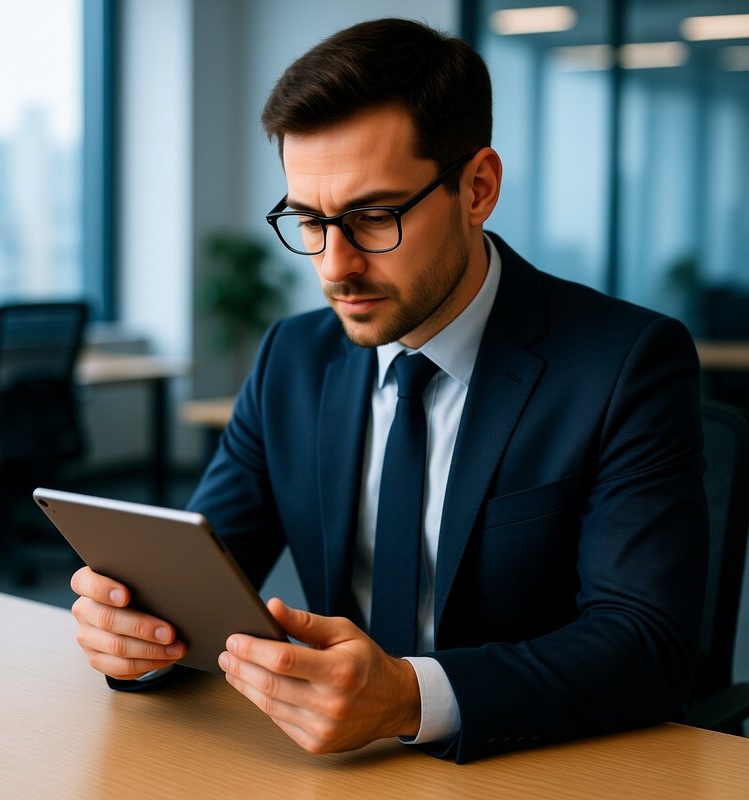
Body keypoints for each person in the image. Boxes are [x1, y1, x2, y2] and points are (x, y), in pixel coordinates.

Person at [70, 18, 708, 763]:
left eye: (373, 218)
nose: (335, 266)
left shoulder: (626, 361)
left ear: (478, 188)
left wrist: (410, 696)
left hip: (538, 762)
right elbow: (199, 580)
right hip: (342, 770)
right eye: (308, 220)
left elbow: (645, 643)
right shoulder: (291, 358)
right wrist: (136, 633)